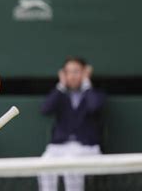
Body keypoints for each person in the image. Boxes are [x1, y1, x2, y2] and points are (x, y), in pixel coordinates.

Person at [38, 57, 105, 191]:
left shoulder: (94, 93)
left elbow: (94, 106)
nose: (72, 76)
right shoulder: (60, 95)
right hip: (58, 147)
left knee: (71, 164)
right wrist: (61, 86)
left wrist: (86, 84)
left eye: (76, 71)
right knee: (43, 165)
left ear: (85, 73)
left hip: (87, 148)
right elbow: (45, 109)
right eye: (69, 72)